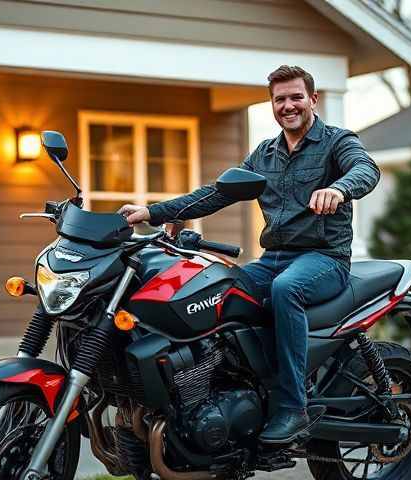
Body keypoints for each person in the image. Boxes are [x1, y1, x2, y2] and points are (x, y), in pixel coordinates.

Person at [118, 65, 380, 443]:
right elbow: (217, 193)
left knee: (286, 290)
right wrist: (155, 212)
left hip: (324, 259)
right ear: (271, 104)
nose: (288, 106)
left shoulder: (337, 142)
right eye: (280, 99)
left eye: (295, 97)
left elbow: (366, 168)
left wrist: (339, 189)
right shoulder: (265, 154)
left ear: (313, 99)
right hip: (274, 258)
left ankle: (293, 408)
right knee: (216, 289)